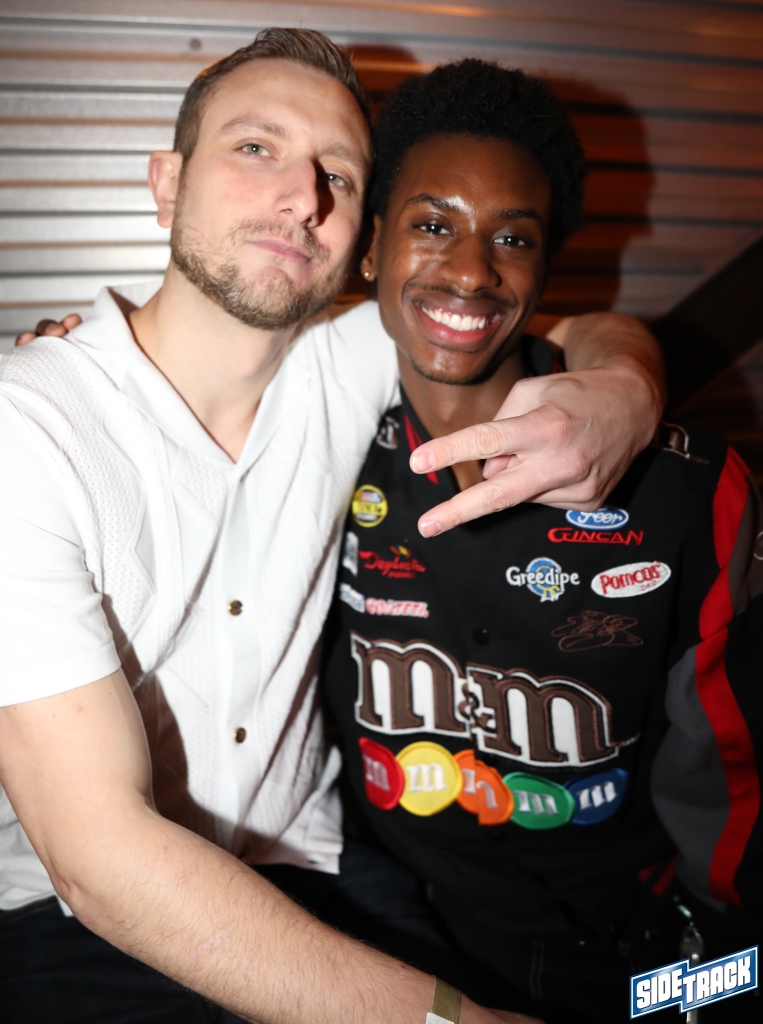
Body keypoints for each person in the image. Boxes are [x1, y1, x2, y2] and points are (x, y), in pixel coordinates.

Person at [0, 28, 664, 1024]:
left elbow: (548, 327)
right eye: (255, 147)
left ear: (360, 239)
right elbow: (97, 854)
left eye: (338, 176)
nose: (300, 197)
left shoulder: (348, 360)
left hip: (322, 870)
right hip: (77, 920)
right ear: (167, 183)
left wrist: (624, 390)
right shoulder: (30, 426)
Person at [319, 59, 763, 1024]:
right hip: (386, 934)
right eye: (432, 224)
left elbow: (730, 771)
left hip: (621, 953)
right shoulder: (313, 444)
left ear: (546, 263)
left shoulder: (684, 486)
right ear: (370, 246)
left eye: (512, 237)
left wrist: (722, 965)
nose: (470, 270)